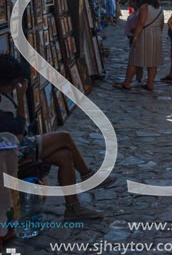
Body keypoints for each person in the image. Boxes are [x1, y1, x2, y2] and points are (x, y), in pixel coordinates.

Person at [0, 55, 114, 221]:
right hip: (13, 152)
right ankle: (88, 175)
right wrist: (22, 99)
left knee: (65, 156)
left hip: (19, 146)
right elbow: (17, 131)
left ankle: (73, 208)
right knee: (64, 138)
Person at [114, 0, 164, 91]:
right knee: (153, 61)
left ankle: (127, 83)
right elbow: (161, 24)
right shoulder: (159, 8)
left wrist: (135, 37)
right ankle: (150, 83)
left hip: (145, 35)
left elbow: (141, 23)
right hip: (156, 34)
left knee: (134, 59)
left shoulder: (144, 7)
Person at [125, 0, 143, 83]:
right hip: (131, 36)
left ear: (135, 2)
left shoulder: (140, 12)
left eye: (130, 1)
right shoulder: (135, 11)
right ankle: (137, 77)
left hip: (135, 37)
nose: (129, 2)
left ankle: (133, 78)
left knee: (135, 59)